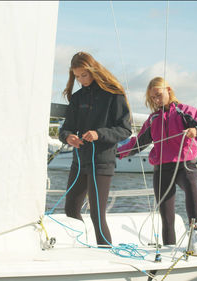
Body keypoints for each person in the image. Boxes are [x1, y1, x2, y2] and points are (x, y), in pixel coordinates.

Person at [117, 77, 197, 255]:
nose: (156, 100)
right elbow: (139, 143)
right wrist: (117, 152)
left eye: (159, 95)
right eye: (153, 98)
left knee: (192, 189)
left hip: (184, 165)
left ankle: (194, 238)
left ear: (168, 90)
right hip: (162, 169)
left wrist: (195, 131)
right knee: (167, 216)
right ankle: (168, 249)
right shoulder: (153, 119)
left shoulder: (186, 112)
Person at [58, 52, 131, 247]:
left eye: (84, 75)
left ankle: (106, 253)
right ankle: (84, 247)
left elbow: (125, 130)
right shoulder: (77, 97)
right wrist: (68, 137)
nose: (81, 80)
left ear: (93, 70)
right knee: (71, 209)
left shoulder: (113, 94)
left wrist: (100, 134)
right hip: (80, 161)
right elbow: (65, 128)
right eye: (77, 76)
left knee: (97, 215)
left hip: (102, 161)